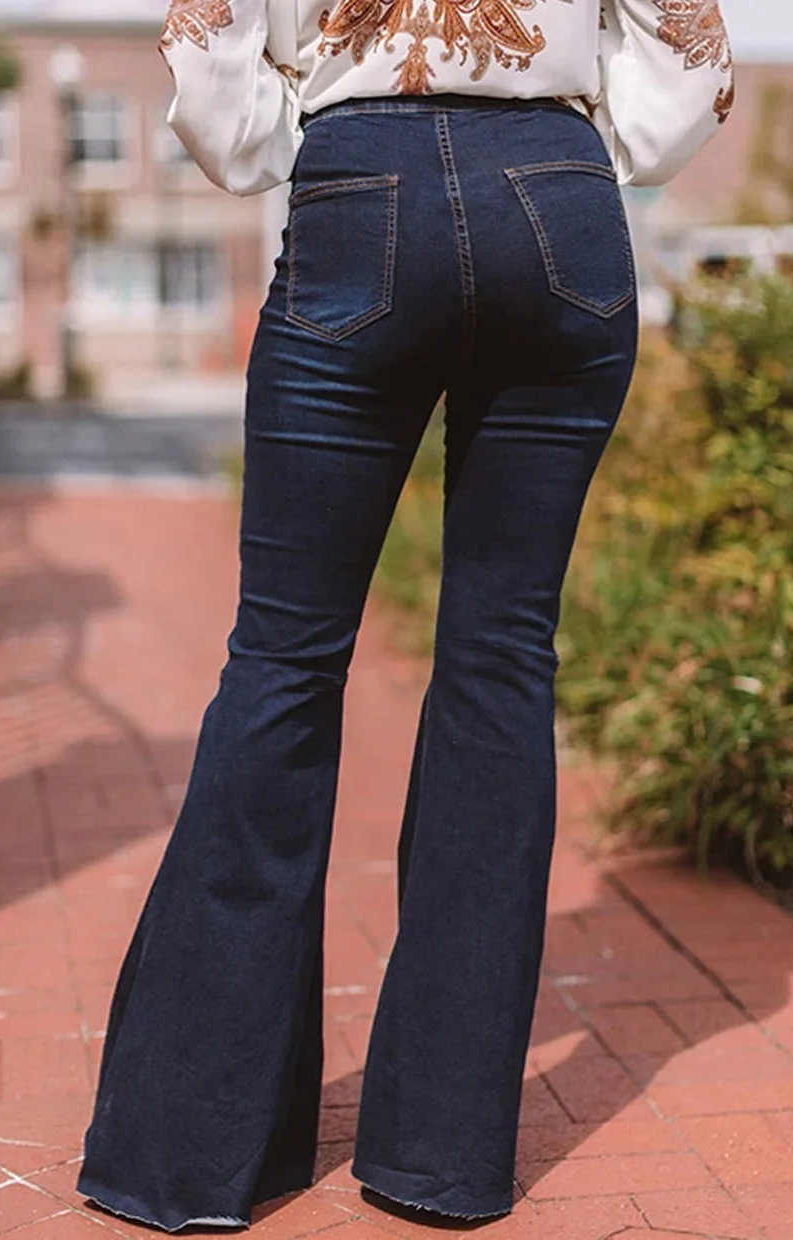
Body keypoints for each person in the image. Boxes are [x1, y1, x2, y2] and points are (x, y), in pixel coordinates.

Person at [77, 0, 734, 1231]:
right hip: (560, 202)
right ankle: (442, 1158)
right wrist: (580, 134)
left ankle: (186, 1155)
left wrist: (304, 139)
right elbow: (685, 51)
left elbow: (208, 49)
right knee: (502, 660)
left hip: (360, 187)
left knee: (283, 658)